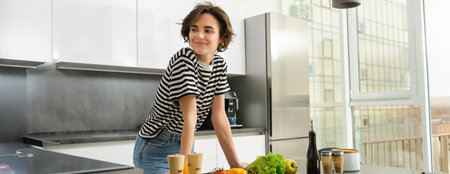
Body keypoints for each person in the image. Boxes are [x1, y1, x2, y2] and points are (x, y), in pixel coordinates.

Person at [133, 2, 247, 174]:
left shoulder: (219, 64)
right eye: (194, 29)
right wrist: (185, 168)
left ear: (221, 37)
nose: (199, 35)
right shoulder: (184, 59)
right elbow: (190, 116)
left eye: (208, 30)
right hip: (157, 144)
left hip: (186, 139)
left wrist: (235, 164)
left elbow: (219, 116)